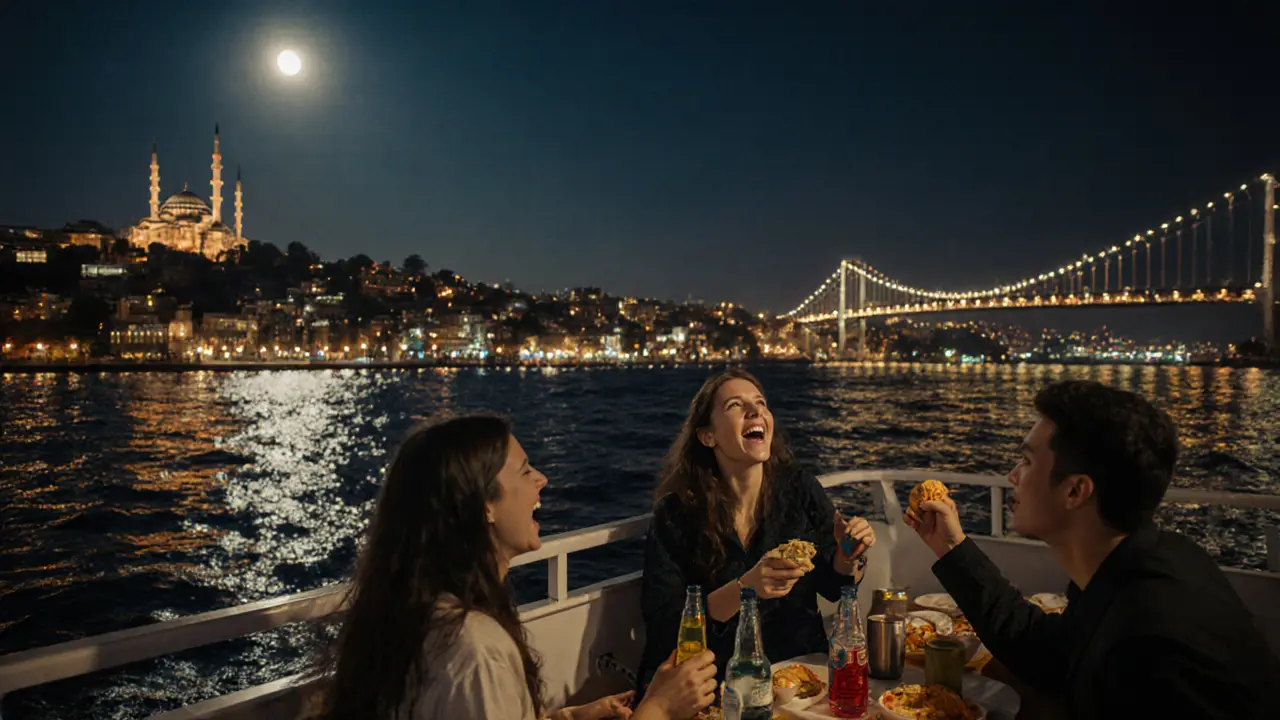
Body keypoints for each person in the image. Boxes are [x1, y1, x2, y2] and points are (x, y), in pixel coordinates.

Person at [906, 379, 1280, 718]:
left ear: (1075, 491)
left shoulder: (1150, 644)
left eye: (1026, 461)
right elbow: (1045, 650)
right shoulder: (1151, 562)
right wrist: (953, 548)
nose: (1012, 476)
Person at [314, 415, 719, 720]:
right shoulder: (473, 650)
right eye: (525, 470)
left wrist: (571, 716)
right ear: (484, 504)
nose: (541, 479)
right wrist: (660, 710)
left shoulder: (418, 615)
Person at [636, 368, 876, 695]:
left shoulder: (799, 489)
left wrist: (847, 558)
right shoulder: (677, 514)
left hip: (801, 676)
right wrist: (745, 587)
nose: (755, 411)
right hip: (718, 685)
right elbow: (665, 626)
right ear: (708, 436)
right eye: (735, 405)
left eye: (761, 403)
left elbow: (834, 587)